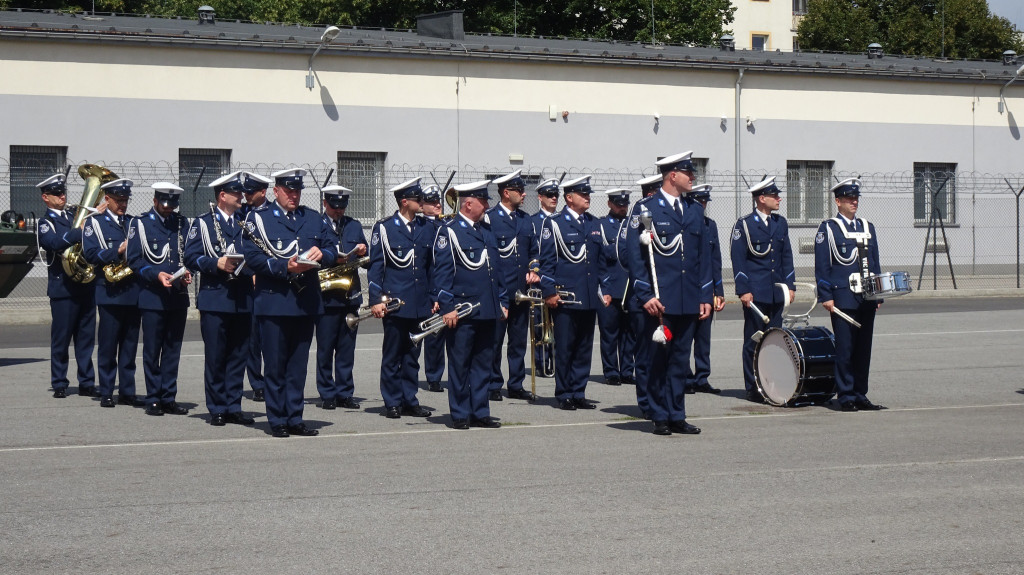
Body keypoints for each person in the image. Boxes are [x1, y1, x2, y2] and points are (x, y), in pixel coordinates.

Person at [242, 168, 337, 437]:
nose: (293, 195)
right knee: (275, 365)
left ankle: (295, 417)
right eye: (288, 191)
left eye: (297, 191)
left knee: (297, 367)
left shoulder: (312, 218)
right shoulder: (258, 219)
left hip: (305, 302)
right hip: (274, 302)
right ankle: (278, 419)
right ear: (276, 191)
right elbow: (252, 257)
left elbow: (332, 249)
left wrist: (323, 253)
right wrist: (285, 267)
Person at [623, 152, 711, 436]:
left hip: (687, 299)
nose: (693, 178)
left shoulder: (694, 210)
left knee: (680, 360)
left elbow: (702, 258)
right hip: (660, 300)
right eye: (688, 173)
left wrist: (704, 296)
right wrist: (645, 294)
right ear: (673, 175)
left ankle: (677, 414)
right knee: (658, 360)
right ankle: (659, 415)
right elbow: (634, 256)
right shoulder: (646, 209)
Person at [433, 180, 509, 428]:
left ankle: (480, 411)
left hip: (487, 308)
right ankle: (460, 413)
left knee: (483, 364)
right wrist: (447, 307)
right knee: (460, 364)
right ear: (468, 204)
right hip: (463, 310)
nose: (486, 205)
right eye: (482, 201)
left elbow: (496, 271)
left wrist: (502, 300)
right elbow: (442, 273)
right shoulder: (450, 232)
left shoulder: (486, 231)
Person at [184, 171, 256, 427]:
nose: (241, 197)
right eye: (236, 193)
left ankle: (233, 405)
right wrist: (216, 263)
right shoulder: (203, 223)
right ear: (222, 195)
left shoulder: (246, 222)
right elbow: (190, 257)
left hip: (243, 297)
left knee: (238, 355)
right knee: (216, 356)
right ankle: (216, 407)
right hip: (216, 298)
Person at [814, 178, 886, 412]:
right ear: (838, 201)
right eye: (848, 198)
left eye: (855, 198)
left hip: (866, 297)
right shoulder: (829, 228)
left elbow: (874, 262)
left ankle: (859, 393)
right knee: (845, 349)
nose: (854, 202)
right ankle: (845, 395)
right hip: (843, 298)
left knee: (863, 349)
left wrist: (878, 293)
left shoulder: (867, 227)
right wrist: (826, 295)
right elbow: (822, 266)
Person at [367, 178, 435, 420]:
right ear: (405, 202)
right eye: (418, 199)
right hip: (395, 303)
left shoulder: (426, 227)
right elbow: (376, 267)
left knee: (412, 356)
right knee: (392, 355)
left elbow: (431, 267)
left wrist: (434, 296)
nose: (422, 203)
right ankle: (392, 401)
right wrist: (376, 299)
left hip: (419, 303)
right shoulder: (385, 228)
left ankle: (409, 399)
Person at [537, 175, 607, 411]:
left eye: (588, 194)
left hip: (588, 296)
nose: (587, 198)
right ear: (569, 197)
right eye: (583, 194)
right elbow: (546, 262)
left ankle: (579, 391)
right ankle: (564, 393)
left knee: (584, 348)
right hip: (565, 297)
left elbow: (600, 262)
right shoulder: (555, 224)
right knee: (565, 347)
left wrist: (605, 289)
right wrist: (548, 291)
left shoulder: (593, 223)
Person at [126, 181, 192, 416]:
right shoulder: (141, 224)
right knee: (153, 349)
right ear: (155, 201)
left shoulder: (182, 223)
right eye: (164, 203)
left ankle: (168, 397)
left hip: (177, 295)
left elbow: (189, 255)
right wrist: (156, 274)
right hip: (153, 295)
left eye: (172, 204)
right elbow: (134, 260)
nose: (168, 208)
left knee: (173, 349)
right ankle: (153, 397)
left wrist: (188, 272)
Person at [730, 176, 795, 404]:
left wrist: (790, 286)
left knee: (775, 341)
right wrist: (743, 290)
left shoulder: (780, 223)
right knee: (754, 341)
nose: (779, 199)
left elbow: (786, 256)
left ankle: (772, 385)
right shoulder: (745, 225)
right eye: (774, 195)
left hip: (776, 292)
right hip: (756, 294)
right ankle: (753, 387)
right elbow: (739, 259)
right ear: (761, 198)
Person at [82, 177, 141, 408]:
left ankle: (127, 391)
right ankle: (106, 390)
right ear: (107, 199)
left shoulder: (133, 223)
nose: (123, 204)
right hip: (110, 292)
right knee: (108, 345)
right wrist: (117, 251)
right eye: (118, 200)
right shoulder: (94, 223)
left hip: (133, 291)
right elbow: (90, 253)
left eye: (125, 200)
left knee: (129, 345)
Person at [36, 173, 96, 399]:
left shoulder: (74, 216)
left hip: (85, 286)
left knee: (86, 339)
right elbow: (53, 243)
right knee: (61, 339)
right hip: (63, 289)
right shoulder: (46, 223)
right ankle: (60, 382)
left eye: (63, 193)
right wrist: (78, 232)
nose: (62, 196)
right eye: (56, 193)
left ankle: (87, 382)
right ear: (46, 197)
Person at [486, 170, 539, 402]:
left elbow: (534, 251)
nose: (524, 194)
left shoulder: (526, 220)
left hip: (521, 291)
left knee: (518, 342)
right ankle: (493, 384)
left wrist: (534, 270)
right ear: (506, 193)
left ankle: (516, 384)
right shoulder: (490, 219)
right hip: (500, 290)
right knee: (495, 341)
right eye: (519, 190)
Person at [315, 184, 368, 410]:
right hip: (326, 296)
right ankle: (327, 393)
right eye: (334, 206)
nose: (338, 210)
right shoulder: (317, 225)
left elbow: (368, 258)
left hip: (349, 295)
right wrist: (329, 259)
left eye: (342, 206)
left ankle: (345, 393)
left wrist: (363, 251)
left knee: (346, 349)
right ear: (325, 203)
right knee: (325, 349)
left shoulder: (353, 225)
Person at [686, 184, 724, 394]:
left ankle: (702, 378)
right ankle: (685, 378)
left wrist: (719, 291)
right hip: (687, 289)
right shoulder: (684, 224)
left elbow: (715, 261)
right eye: (699, 202)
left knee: (703, 339)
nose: (702, 206)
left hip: (706, 288)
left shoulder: (711, 226)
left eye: (704, 202)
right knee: (685, 337)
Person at [596, 188, 634, 387]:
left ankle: (627, 370)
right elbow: (601, 255)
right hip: (609, 287)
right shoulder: (601, 225)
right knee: (609, 333)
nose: (622, 208)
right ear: (610, 204)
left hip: (629, 287)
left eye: (625, 205)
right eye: (619, 205)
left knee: (629, 333)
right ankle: (611, 371)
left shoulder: (633, 224)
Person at [240, 171, 272, 402]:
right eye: (245, 192)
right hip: (247, 281)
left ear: (263, 192)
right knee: (252, 339)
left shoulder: (272, 213)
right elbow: (240, 247)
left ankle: (272, 381)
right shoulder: (241, 214)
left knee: (270, 338)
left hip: (270, 280)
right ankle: (257, 383)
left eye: (251, 192)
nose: (246, 196)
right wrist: (250, 273)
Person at [530, 178, 561, 377]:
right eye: (549, 195)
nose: (553, 198)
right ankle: (541, 363)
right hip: (538, 279)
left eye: (556, 195)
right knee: (539, 325)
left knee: (557, 326)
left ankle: (555, 362)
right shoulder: (533, 221)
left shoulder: (561, 220)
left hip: (557, 279)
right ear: (540, 197)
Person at [418, 184, 446, 393]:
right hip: (427, 285)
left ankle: (436, 376)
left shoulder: (445, 225)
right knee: (425, 333)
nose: (437, 205)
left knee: (439, 334)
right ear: (422, 205)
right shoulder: (422, 226)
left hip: (445, 284)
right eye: (431, 202)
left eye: (438, 201)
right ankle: (425, 376)